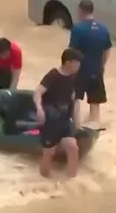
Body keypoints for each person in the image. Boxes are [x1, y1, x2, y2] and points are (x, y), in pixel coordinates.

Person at [33, 48, 82, 178]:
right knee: (49, 153)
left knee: (73, 147)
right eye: (77, 63)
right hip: (51, 121)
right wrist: (39, 109)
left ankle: (71, 180)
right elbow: (37, 92)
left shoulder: (74, 78)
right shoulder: (53, 75)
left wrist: (77, 121)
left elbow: (75, 100)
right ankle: (44, 180)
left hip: (65, 120)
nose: (79, 66)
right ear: (68, 62)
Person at [69, 0, 112, 125]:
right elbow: (107, 49)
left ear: (81, 11)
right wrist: (102, 65)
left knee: (75, 97)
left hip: (80, 69)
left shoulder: (77, 28)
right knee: (95, 101)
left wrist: (70, 69)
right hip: (97, 69)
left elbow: (72, 51)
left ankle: (76, 123)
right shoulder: (103, 29)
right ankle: (94, 123)